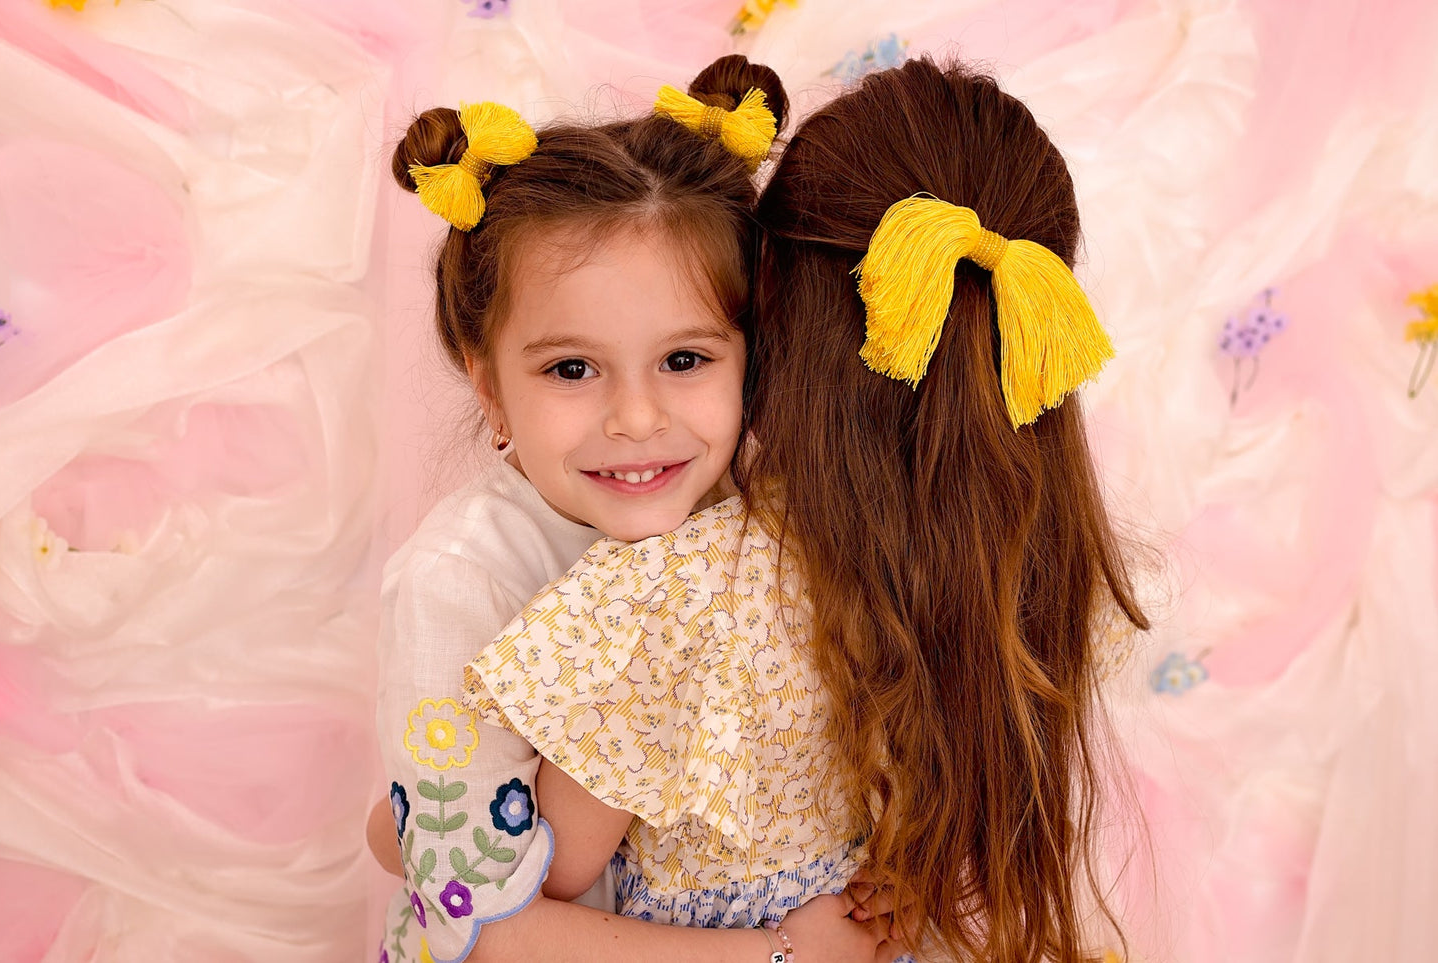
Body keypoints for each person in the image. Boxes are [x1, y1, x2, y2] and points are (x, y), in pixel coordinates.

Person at [465, 56, 1150, 963]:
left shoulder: (672, 595)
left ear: (769, 307)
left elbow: (505, 902)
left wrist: (403, 828)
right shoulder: (1035, 563)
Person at [373, 55, 897, 963]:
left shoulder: (762, 517)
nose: (637, 418)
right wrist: (783, 953)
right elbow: (476, 922)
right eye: (572, 368)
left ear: (754, 355)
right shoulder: (458, 582)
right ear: (489, 386)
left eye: (684, 360)